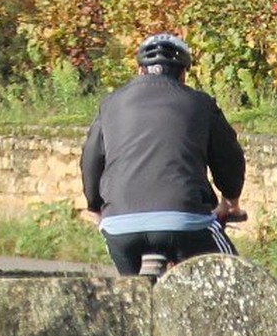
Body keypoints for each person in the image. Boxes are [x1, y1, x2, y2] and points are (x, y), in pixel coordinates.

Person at [80, 32, 247, 276]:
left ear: (140, 70)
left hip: (120, 226)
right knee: (234, 281)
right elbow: (228, 157)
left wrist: (95, 206)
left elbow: (91, 160)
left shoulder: (110, 104)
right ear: (182, 73)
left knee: (134, 297)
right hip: (185, 221)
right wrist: (230, 201)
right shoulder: (200, 103)